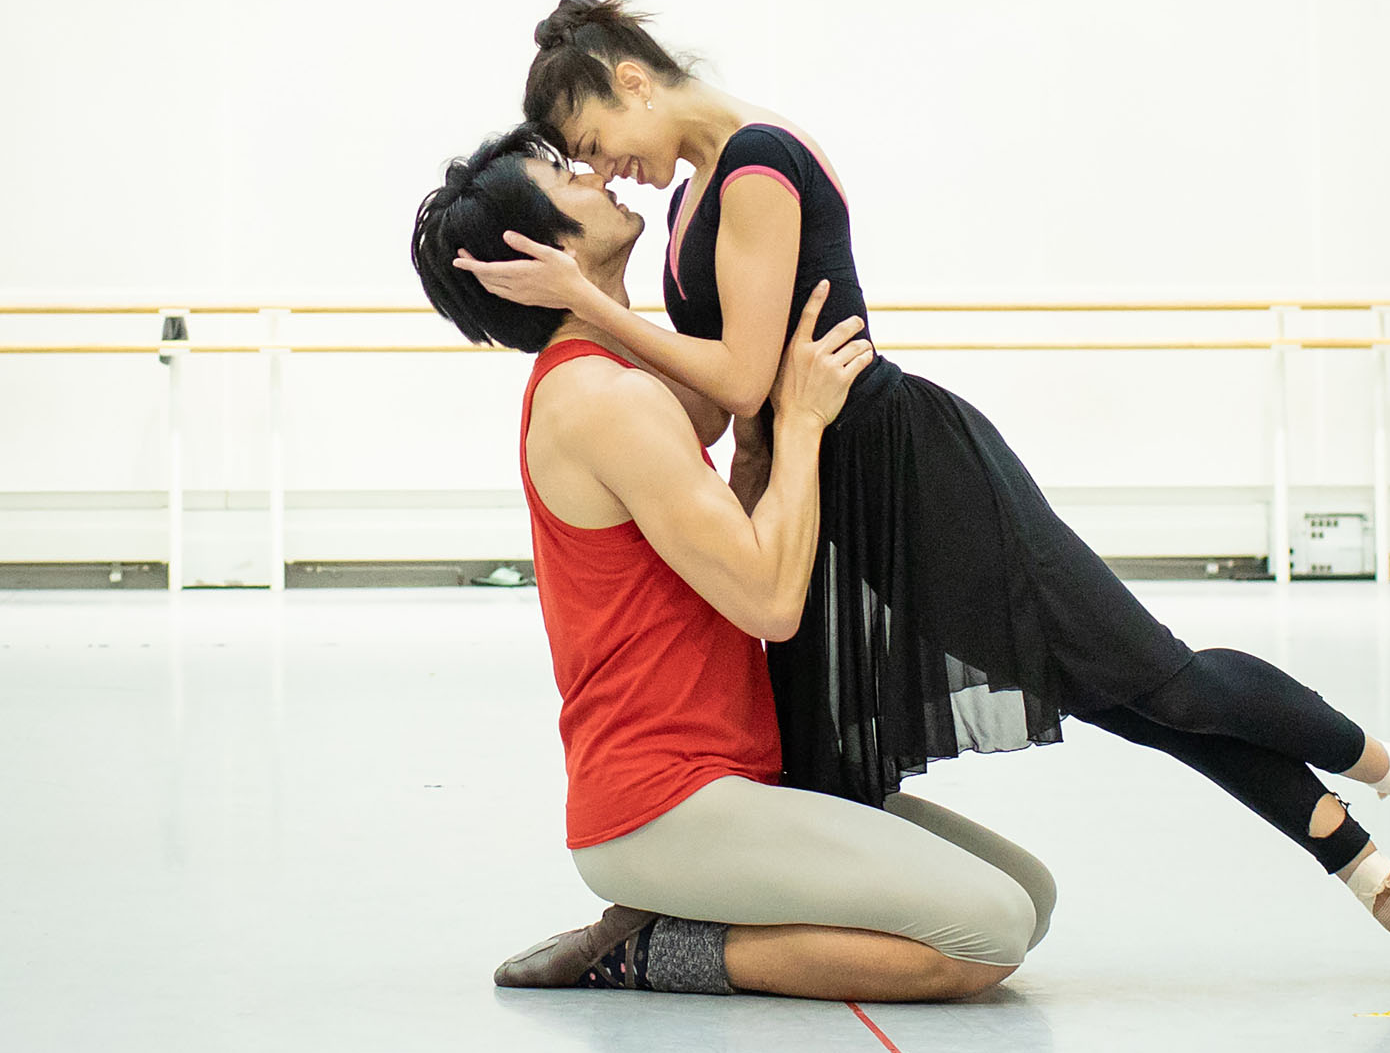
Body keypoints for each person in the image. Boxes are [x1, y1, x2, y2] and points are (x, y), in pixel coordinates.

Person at [450, 0, 1390, 985]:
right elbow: (724, 402)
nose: (612, 172)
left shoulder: (756, 165)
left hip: (899, 468)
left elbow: (744, 378)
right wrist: (589, 332)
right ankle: (1379, 881)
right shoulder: (693, 202)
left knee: (1152, 679)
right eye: (583, 167)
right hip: (824, 493)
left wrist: (587, 308)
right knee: (1128, 701)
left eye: (599, 143)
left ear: (629, 79)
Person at [412, 128, 1057, 1002]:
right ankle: (645, 953)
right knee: (986, 936)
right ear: (539, 248)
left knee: (1032, 895)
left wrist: (757, 444)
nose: (594, 174)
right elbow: (768, 601)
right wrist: (798, 424)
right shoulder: (601, 399)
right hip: (664, 807)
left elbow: (727, 501)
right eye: (562, 177)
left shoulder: (613, 372)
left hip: (736, 779)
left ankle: (664, 915)